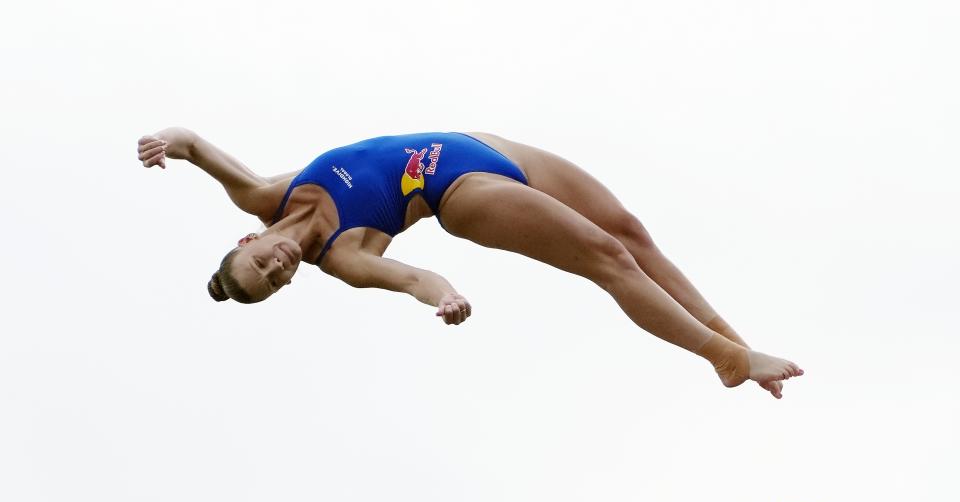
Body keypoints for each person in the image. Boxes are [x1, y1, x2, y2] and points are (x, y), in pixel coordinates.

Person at [137, 127, 802, 397]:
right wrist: (444, 294)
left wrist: (165, 141)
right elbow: (412, 278)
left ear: (247, 241)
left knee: (630, 230)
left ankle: (743, 352)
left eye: (263, 264)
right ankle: (724, 358)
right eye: (279, 282)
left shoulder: (262, 195)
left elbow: (195, 146)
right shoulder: (342, 258)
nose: (281, 266)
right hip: (458, 192)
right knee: (608, 257)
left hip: (478, 143)